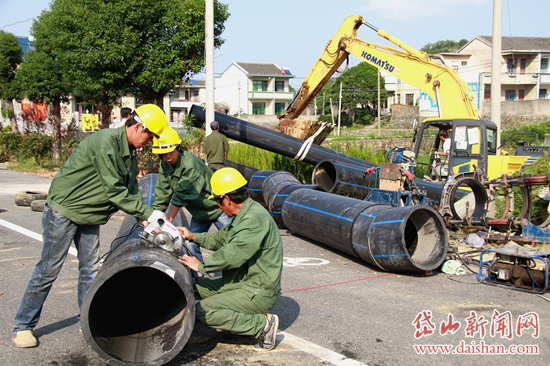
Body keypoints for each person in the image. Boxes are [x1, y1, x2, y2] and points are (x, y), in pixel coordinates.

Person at [11, 104, 168, 348]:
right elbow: (114, 190)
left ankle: (87, 319)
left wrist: (148, 219)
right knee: (48, 270)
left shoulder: (129, 153)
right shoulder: (106, 142)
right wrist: (147, 212)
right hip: (65, 211)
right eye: (150, 135)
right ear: (138, 127)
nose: (149, 142)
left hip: (90, 215)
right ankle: (23, 326)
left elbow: (130, 190)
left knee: (90, 269)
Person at [178, 167, 283, 352]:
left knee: (203, 310)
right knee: (193, 289)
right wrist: (192, 236)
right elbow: (221, 238)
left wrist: (201, 266)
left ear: (226, 199)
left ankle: (262, 325)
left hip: (257, 290)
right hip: (241, 282)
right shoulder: (244, 214)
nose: (218, 206)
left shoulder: (254, 219)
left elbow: (233, 254)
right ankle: (239, 320)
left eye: (218, 201)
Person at [152, 127, 232, 262]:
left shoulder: (189, 164)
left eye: (169, 152)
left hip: (218, 208)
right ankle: (199, 274)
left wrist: (168, 220)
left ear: (178, 148)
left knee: (232, 240)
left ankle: (239, 274)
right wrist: (156, 217)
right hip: (199, 213)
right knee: (189, 243)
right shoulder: (165, 164)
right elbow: (163, 190)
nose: (167, 157)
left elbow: (181, 194)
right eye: (163, 154)